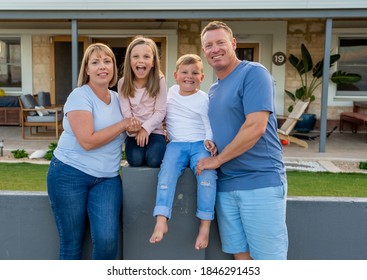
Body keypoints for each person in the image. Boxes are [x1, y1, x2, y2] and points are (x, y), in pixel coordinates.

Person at [197, 21, 288, 260]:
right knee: (241, 260)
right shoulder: (214, 90)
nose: (214, 49)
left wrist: (218, 160)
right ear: (204, 52)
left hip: (260, 182)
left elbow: (255, 127)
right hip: (227, 186)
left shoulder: (254, 73)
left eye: (220, 42)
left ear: (233, 44)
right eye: (208, 45)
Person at [47, 43, 140, 260]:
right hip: (69, 175)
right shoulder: (80, 96)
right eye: (95, 62)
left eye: (107, 61)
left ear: (114, 69)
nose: (102, 67)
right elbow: (87, 141)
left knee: (108, 242)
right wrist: (124, 124)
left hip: (107, 179)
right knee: (71, 245)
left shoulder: (120, 99)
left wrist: (140, 129)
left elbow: (132, 130)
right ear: (86, 69)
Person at [149, 54, 217, 250]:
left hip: (199, 144)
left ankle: (205, 225)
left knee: (207, 175)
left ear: (202, 77)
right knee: (167, 173)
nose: (190, 76)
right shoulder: (169, 94)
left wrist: (209, 140)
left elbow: (208, 123)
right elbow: (161, 113)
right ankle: (162, 218)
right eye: (185, 72)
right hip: (176, 144)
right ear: (176, 75)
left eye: (195, 72)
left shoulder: (204, 99)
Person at [118, 36, 167, 168]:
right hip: (133, 132)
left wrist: (146, 129)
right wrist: (135, 129)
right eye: (136, 56)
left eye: (146, 56)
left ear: (153, 61)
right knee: (135, 160)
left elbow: (160, 111)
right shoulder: (123, 83)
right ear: (129, 60)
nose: (141, 61)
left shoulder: (160, 80)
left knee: (154, 159)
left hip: (155, 131)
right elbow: (126, 112)